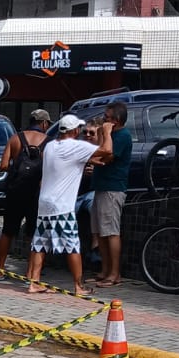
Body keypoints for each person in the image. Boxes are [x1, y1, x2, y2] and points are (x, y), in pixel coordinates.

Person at [27, 114, 113, 298]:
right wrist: (106, 131)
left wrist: (85, 160)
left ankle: (34, 283)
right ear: (74, 131)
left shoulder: (50, 146)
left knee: (40, 243)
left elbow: (64, 161)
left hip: (45, 203)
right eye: (79, 130)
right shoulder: (76, 146)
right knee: (72, 245)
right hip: (62, 207)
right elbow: (106, 150)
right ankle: (78, 286)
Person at [0, 108, 50, 274]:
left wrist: (18, 168)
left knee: (7, 231)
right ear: (44, 123)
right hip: (36, 193)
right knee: (33, 233)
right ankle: (30, 272)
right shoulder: (48, 141)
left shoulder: (15, 138)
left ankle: (0, 269)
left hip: (15, 192)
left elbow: (3, 166)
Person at [91, 100, 133, 285]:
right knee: (100, 231)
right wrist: (102, 133)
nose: (103, 120)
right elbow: (99, 149)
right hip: (101, 186)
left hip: (113, 188)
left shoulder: (122, 136)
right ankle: (105, 269)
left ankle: (115, 273)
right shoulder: (109, 134)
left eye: (106, 118)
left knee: (110, 231)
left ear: (115, 120)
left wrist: (106, 133)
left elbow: (106, 156)